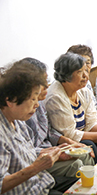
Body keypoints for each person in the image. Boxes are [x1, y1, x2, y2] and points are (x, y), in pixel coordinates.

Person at [0, 60, 77, 194]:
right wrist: (36, 167)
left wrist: (54, 152)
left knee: (85, 184)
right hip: (28, 190)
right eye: (33, 99)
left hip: (40, 182)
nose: (36, 105)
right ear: (11, 100)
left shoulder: (17, 121)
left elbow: (25, 155)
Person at [45, 53, 97, 161]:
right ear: (66, 76)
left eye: (86, 70)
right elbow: (70, 135)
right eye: (79, 72)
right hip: (64, 143)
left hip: (79, 135)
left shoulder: (83, 90)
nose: (85, 75)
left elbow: (91, 125)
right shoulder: (56, 97)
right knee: (91, 144)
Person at [23, 57, 95, 177]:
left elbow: (49, 130)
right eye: (43, 82)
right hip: (35, 158)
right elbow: (23, 151)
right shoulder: (22, 109)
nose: (47, 85)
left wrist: (69, 142)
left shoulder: (39, 102)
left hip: (48, 148)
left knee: (86, 153)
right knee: (77, 164)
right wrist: (51, 151)